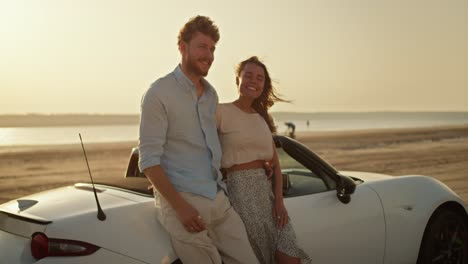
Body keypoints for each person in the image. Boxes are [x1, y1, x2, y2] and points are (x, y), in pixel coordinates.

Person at [139, 16, 258, 264]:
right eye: (202, 47)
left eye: (213, 48)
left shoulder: (211, 94)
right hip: (184, 204)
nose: (209, 55)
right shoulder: (158, 93)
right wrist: (180, 208)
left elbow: (214, 143)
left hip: (218, 200)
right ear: (183, 47)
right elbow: (149, 161)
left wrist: (258, 160)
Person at [216, 56, 312, 264]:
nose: (254, 81)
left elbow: (275, 162)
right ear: (237, 80)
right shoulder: (221, 111)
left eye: (260, 78)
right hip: (240, 193)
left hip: (267, 194)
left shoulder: (261, 117)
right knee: (257, 256)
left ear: (264, 85)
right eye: (248, 75)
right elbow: (200, 146)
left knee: (289, 255)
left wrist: (278, 200)